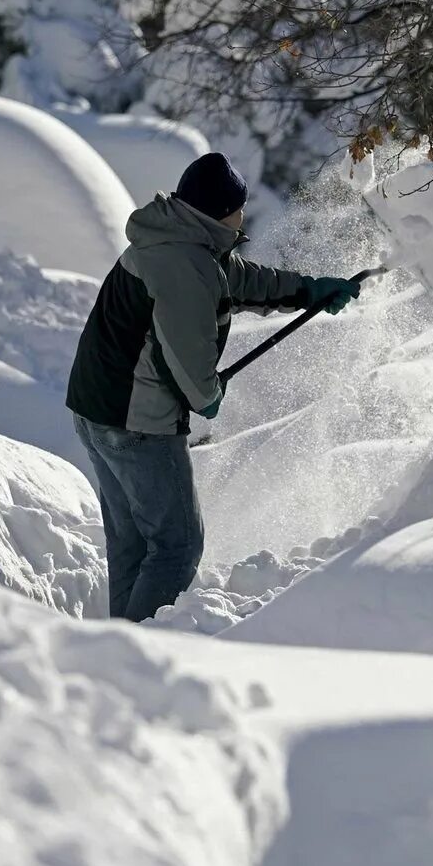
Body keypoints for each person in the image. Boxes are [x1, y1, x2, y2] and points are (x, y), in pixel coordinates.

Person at [66, 153, 362, 622]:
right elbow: (186, 353)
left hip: (96, 409)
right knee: (177, 546)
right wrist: (207, 396)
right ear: (224, 211)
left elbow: (236, 280)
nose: (243, 216)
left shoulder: (176, 239)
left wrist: (308, 291)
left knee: (135, 542)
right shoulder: (184, 264)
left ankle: (116, 644)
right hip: (135, 421)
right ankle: (140, 655)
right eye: (239, 207)